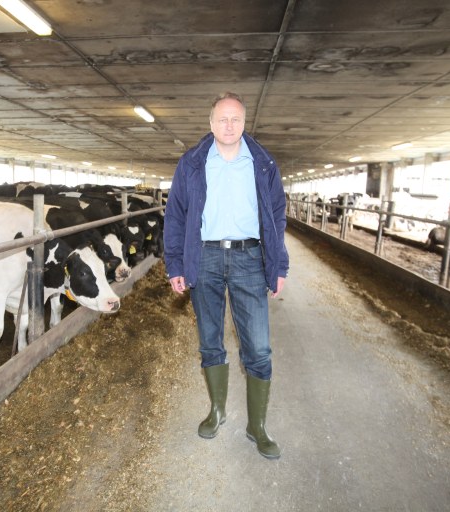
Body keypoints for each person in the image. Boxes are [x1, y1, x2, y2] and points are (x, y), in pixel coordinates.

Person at [163, 92, 289, 460]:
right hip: (204, 257)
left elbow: (277, 216)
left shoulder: (263, 164)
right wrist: (175, 264)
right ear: (211, 123)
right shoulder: (192, 163)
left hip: (251, 256)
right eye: (222, 119)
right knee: (210, 340)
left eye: (235, 119)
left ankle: (257, 425)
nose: (229, 125)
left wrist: (278, 264)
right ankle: (217, 412)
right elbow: (176, 215)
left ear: (244, 122)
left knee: (259, 346)